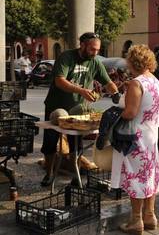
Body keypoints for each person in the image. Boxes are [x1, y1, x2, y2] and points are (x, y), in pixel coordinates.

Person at [40, 32, 119, 186]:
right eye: (92, 49)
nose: (95, 53)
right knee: (50, 144)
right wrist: (82, 91)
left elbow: (107, 82)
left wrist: (115, 93)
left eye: (97, 50)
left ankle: (75, 176)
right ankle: (49, 174)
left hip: (77, 111)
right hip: (55, 107)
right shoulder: (66, 57)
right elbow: (59, 81)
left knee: (76, 146)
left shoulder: (95, 62)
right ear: (82, 45)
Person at [110, 45, 159, 234]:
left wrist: (114, 115)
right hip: (151, 135)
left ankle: (136, 221)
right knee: (149, 176)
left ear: (132, 61)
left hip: (135, 136)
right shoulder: (155, 81)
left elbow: (131, 113)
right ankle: (150, 216)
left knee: (136, 177)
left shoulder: (136, 83)